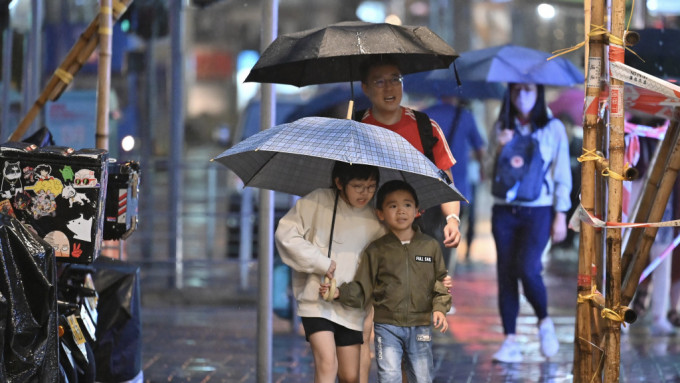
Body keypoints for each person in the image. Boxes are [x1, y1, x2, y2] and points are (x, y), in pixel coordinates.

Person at [321, 180, 451, 383]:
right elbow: (363, 287)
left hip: (420, 325)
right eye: (393, 206)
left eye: (407, 205)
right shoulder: (376, 250)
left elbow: (440, 282)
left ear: (417, 210)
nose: (401, 211)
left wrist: (440, 309)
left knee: (422, 377)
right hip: (386, 326)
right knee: (389, 376)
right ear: (380, 213)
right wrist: (339, 292)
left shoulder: (430, 247)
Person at [274, 162, 385, 383]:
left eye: (372, 186)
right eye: (358, 186)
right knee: (327, 363)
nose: (366, 193)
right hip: (315, 300)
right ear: (339, 183)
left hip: (351, 307)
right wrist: (320, 262)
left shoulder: (376, 217)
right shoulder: (317, 200)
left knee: (350, 375)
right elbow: (285, 234)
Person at [489, 83, 572, 363]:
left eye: (529, 90)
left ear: (539, 94)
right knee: (506, 274)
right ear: (509, 94)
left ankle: (544, 320)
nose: (522, 97)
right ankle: (510, 339)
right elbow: (489, 169)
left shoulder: (553, 128)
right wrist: (500, 147)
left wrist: (561, 214)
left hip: (538, 211)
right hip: (504, 211)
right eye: (516, 91)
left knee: (528, 268)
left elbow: (562, 174)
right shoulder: (502, 125)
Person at [423, 96, 486, 264]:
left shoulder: (425, 114)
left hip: (428, 188)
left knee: (426, 236)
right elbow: (480, 149)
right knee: (449, 236)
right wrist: (483, 169)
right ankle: (443, 277)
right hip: (457, 189)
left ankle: (427, 273)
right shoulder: (466, 116)